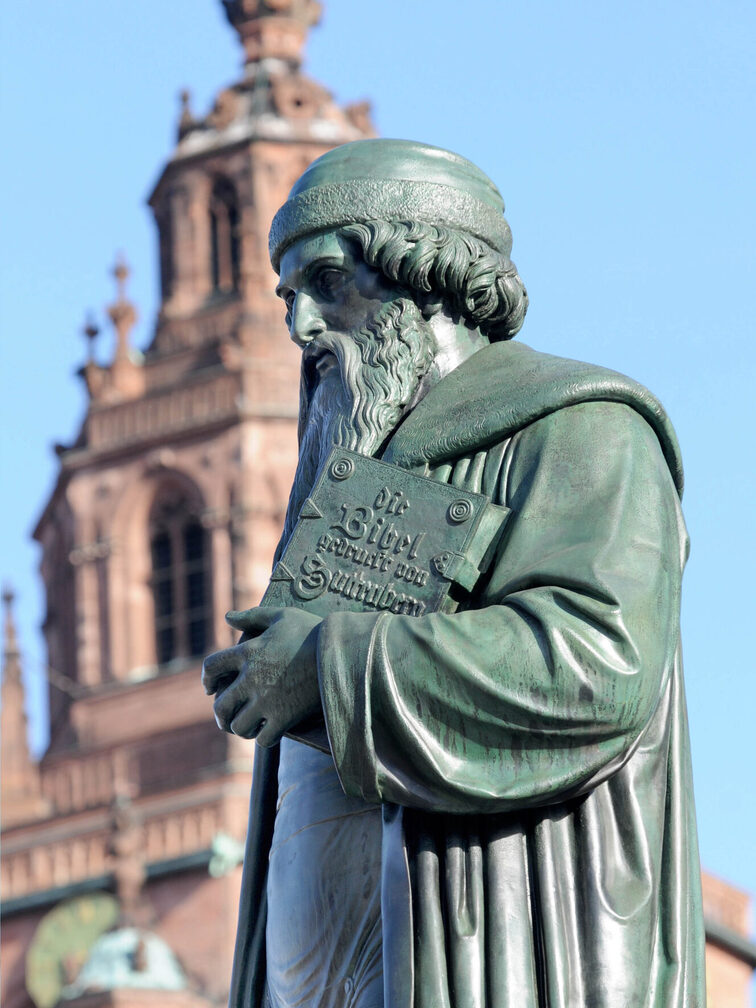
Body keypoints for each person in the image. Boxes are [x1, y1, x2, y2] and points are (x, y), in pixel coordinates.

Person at [202, 139, 705, 1008]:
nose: (301, 328)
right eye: (289, 297)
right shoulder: (347, 468)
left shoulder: (583, 429)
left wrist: (325, 666)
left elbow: (600, 661)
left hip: (500, 954)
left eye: (327, 283)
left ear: (427, 273)